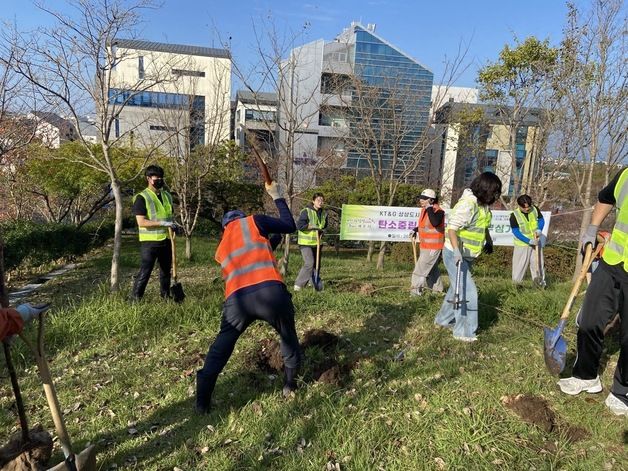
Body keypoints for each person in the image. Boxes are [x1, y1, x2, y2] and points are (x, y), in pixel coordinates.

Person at [196, 181, 300, 414]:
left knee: (221, 348)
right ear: (241, 218)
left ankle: (202, 401)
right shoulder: (254, 221)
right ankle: (290, 385)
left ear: (225, 227)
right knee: (287, 336)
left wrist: (275, 239)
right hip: (271, 294)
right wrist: (277, 196)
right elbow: (288, 225)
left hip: (237, 301)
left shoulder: (222, 248)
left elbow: (262, 246)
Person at [557, 168, 628, 416]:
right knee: (589, 320)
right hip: (612, 263)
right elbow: (605, 198)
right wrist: (592, 229)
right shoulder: (626, 175)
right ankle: (586, 376)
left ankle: (622, 391)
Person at [434, 172, 502, 342]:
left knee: (456, 289)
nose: (495, 196)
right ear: (484, 189)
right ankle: (464, 332)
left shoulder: (482, 206)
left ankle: (442, 320)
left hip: (468, 256)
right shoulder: (468, 205)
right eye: (494, 192)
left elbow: (483, 226)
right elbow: (452, 229)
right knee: (467, 292)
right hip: (454, 254)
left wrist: (488, 241)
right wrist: (456, 251)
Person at [130, 165, 178, 302]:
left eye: (161, 177)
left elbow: (169, 217)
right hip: (150, 242)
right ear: (149, 179)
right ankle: (135, 299)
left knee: (165, 271)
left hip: (166, 239)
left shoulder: (167, 195)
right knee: (145, 271)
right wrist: (163, 224)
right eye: (157, 177)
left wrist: (174, 225)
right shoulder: (141, 197)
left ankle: (165, 297)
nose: (160, 180)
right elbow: (141, 222)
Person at [410, 189, 445, 296]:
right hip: (425, 246)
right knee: (432, 270)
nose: (421, 200)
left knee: (420, 271)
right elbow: (425, 226)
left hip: (433, 247)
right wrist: (416, 229)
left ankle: (415, 293)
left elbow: (434, 222)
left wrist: (429, 207)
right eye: (421, 197)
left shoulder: (438, 211)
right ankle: (438, 291)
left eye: (424, 198)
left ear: (431, 200)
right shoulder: (424, 210)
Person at [294, 193, 327, 291]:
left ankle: (313, 283)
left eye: (322, 200)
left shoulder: (324, 213)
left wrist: (323, 231)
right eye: (318, 200)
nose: (320, 202)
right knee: (309, 263)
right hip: (305, 243)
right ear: (313, 201)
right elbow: (300, 226)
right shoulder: (306, 211)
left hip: (317, 243)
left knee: (317, 265)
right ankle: (298, 285)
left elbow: (325, 226)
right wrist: (312, 227)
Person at [510, 195, 546, 284]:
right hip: (522, 244)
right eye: (524, 207)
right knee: (519, 267)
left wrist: (539, 229)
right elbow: (516, 231)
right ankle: (516, 286)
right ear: (519, 205)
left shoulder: (535, 209)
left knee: (538, 264)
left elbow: (541, 220)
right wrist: (528, 241)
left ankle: (540, 284)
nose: (527, 209)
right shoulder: (514, 215)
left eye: (528, 207)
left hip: (536, 242)